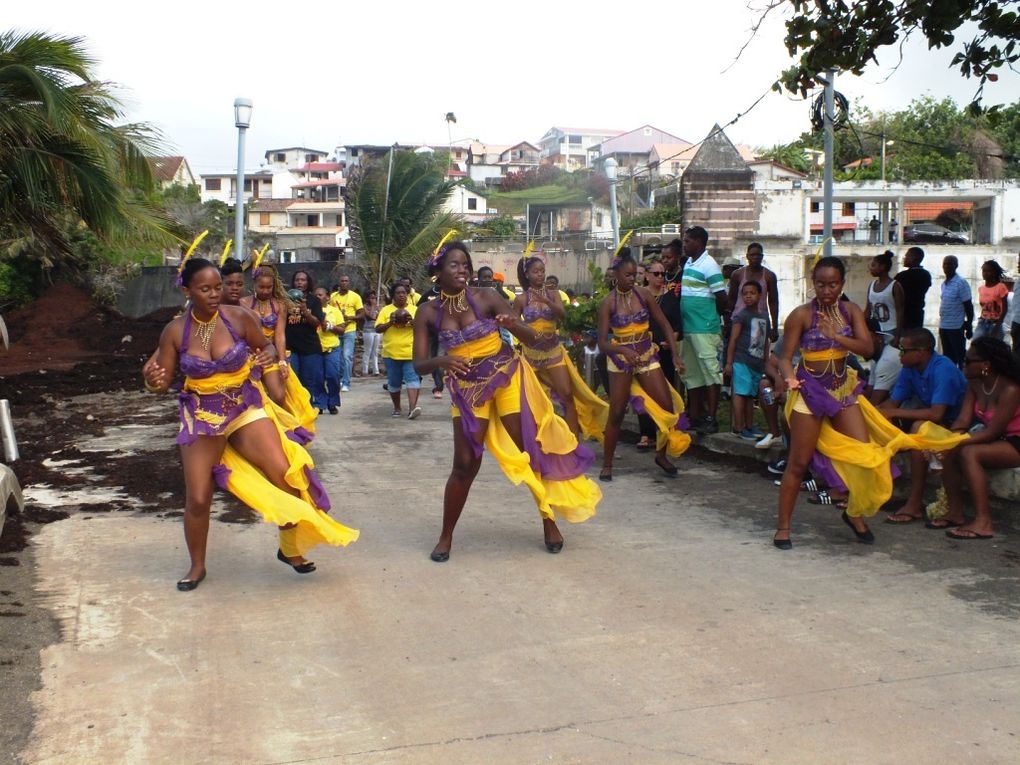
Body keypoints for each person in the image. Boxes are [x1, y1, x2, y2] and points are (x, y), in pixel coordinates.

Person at [141, 258, 357, 591]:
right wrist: (151, 380)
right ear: (186, 291)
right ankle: (197, 566)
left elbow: (266, 347)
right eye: (205, 289)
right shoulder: (174, 331)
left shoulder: (239, 317)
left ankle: (290, 550)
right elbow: (162, 380)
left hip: (243, 407)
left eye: (217, 287)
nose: (215, 294)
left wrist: (271, 362)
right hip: (202, 417)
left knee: (285, 475)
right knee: (198, 498)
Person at [412, 240, 602, 562]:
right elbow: (418, 364)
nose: (462, 270)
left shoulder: (486, 297)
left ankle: (549, 520)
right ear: (437, 272)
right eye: (454, 265)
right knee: (464, 463)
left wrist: (513, 324)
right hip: (467, 390)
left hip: (506, 377)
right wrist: (442, 362)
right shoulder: (427, 311)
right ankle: (446, 535)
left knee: (529, 449)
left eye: (464, 264)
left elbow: (531, 337)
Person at [773, 256, 966, 550]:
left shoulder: (850, 311)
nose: (827, 290)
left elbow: (866, 347)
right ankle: (783, 527)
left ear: (841, 284)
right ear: (813, 283)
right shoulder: (800, 315)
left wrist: (835, 336)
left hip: (843, 390)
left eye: (833, 284)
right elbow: (785, 357)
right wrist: (789, 379)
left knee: (864, 457)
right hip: (810, 391)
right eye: (821, 284)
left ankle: (855, 515)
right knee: (798, 463)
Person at [597, 251, 690, 481]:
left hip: (647, 355)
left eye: (634, 275)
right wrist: (622, 350)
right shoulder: (608, 303)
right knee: (617, 412)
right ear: (616, 275)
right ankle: (607, 463)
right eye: (627, 275)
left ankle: (661, 455)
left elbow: (665, 324)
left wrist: (676, 355)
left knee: (667, 407)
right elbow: (602, 343)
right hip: (621, 360)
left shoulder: (644, 294)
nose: (632, 279)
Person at [878, 328, 967, 523]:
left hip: (957, 426)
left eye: (903, 350)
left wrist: (892, 413)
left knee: (919, 428)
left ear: (921, 352)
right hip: (933, 423)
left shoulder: (943, 368)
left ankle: (914, 501)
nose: (899, 354)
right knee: (878, 426)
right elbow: (891, 404)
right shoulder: (910, 369)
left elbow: (937, 413)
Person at [514, 255, 607, 440]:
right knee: (533, 400)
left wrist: (548, 301)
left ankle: (573, 441)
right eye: (535, 272)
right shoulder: (521, 299)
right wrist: (526, 336)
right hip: (531, 355)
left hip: (553, 352)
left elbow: (564, 316)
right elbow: (514, 324)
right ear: (527, 275)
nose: (540, 275)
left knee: (566, 394)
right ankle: (540, 439)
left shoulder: (553, 294)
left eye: (542, 271)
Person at [938, 337, 1020, 539]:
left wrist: (953, 442)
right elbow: (963, 421)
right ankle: (954, 512)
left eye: (968, 360)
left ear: (986, 365)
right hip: (994, 437)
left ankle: (984, 522)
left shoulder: (1011, 389)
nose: (963, 364)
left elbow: (992, 431)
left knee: (967, 452)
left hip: (1014, 440)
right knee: (950, 449)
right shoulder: (974, 384)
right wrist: (944, 442)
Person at [679, 226, 728, 433]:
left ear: (699, 242)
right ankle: (696, 415)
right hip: (689, 328)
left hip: (705, 329)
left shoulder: (709, 265)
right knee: (693, 373)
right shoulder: (690, 262)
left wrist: (709, 319)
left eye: (688, 241)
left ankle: (712, 418)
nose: (684, 244)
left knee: (710, 373)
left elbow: (722, 299)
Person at [636, 257, 681, 450]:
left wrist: (671, 342)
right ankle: (646, 433)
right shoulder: (639, 297)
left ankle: (666, 431)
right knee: (643, 394)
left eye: (663, 274)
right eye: (656, 273)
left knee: (666, 392)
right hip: (644, 352)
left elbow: (677, 325)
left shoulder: (670, 297)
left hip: (664, 352)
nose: (660, 277)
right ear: (646, 275)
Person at [725, 281, 770, 440]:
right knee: (741, 393)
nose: (749, 296)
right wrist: (729, 363)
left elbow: (765, 340)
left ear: (760, 295)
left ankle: (750, 426)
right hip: (741, 360)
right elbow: (733, 339)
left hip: (756, 363)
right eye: (745, 293)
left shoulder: (764, 316)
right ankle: (739, 427)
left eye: (752, 293)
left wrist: (766, 361)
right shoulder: (741, 316)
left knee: (751, 395)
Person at [376, 283, 422, 419]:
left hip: (410, 352)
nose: (401, 295)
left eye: (403, 293)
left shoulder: (415, 310)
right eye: (398, 293)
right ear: (393, 295)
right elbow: (377, 328)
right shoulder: (385, 310)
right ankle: (397, 408)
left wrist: (412, 322)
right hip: (391, 353)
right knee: (394, 382)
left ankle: (412, 409)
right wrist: (390, 322)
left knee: (412, 379)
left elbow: (423, 328)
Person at [286, 270, 327, 411]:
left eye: (303, 280)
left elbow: (317, 323)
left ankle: (307, 409)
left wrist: (305, 311)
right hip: (290, 347)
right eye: (297, 280)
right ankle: (295, 410)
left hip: (310, 348)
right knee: (292, 380)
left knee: (309, 381)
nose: (300, 282)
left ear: (308, 283)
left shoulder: (314, 301)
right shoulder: (285, 299)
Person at [727, 242, 780, 343]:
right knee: (736, 348)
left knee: (757, 351)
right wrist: (727, 322)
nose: (755, 257)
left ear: (762, 257)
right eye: (752, 255)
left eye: (758, 255)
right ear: (747, 256)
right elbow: (731, 299)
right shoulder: (737, 274)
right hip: (739, 319)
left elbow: (773, 302)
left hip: (760, 319)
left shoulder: (769, 276)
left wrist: (775, 327)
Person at [328, 275, 364, 392]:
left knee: (347, 356)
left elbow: (361, 314)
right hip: (336, 330)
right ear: (339, 283)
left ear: (349, 283)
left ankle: (346, 382)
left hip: (349, 330)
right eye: (342, 281)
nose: (344, 283)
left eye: (346, 281)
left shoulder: (355, 297)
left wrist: (351, 317)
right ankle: (338, 379)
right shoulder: (333, 297)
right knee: (337, 358)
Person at [938, 255, 974, 369]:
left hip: (956, 326)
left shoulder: (961, 283)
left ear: (956, 266)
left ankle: (964, 380)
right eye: (945, 264)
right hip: (943, 325)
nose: (947, 266)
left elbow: (968, 305)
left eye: (950, 264)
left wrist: (969, 325)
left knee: (960, 357)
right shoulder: (944, 284)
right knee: (947, 358)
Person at [865, 250, 904, 348]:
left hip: (891, 329)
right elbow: (868, 309)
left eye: (873, 265)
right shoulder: (872, 285)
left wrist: (897, 336)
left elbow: (900, 312)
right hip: (876, 329)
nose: (870, 268)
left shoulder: (895, 286)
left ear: (882, 267)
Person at [313, 286, 342, 415]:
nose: (317, 297)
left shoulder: (335, 311)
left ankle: (333, 402)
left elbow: (342, 330)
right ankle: (320, 403)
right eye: (316, 295)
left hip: (332, 348)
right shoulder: (311, 311)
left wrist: (329, 326)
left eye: (320, 295)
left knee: (333, 376)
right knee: (317, 378)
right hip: (315, 349)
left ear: (327, 297)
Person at [894, 246, 932, 331]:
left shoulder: (902, 276)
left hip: (903, 315)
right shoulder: (926, 274)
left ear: (914, 258)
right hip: (917, 314)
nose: (905, 258)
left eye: (907, 256)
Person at [974, 260, 1009, 341]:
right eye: (983, 270)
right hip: (982, 322)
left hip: (995, 323)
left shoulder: (1001, 287)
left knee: (994, 348)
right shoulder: (981, 289)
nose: (985, 273)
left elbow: (1005, 309)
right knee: (976, 344)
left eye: (988, 271)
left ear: (994, 272)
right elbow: (984, 307)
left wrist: (998, 325)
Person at [361, 290, 382, 377]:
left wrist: (376, 308)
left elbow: (379, 317)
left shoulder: (378, 307)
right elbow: (370, 317)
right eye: (372, 298)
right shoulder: (364, 307)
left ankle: (376, 370)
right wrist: (373, 306)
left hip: (376, 331)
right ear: (367, 299)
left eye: (375, 298)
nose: (374, 299)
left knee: (375, 351)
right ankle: (364, 370)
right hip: (368, 331)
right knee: (367, 351)